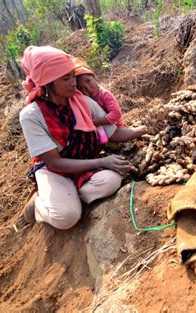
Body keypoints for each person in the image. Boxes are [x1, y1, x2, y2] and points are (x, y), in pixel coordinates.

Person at [18, 46, 134, 229]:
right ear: (48, 83)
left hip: (83, 162)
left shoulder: (84, 102)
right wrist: (102, 162)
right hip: (54, 170)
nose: (74, 82)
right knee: (66, 217)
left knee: (112, 181)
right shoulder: (31, 116)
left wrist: (144, 129)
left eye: (73, 75)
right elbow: (55, 163)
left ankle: (68, 194)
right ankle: (39, 205)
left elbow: (115, 133)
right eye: (66, 78)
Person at [74, 59, 147, 143]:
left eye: (88, 81)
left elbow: (116, 113)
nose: (87, 88)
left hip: (115, 127)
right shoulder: (87, 99)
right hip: (101, 127)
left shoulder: (105, 95)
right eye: (81, 88)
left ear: (94, 77)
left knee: (115, 143)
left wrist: (98, 122)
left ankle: (141, 130)